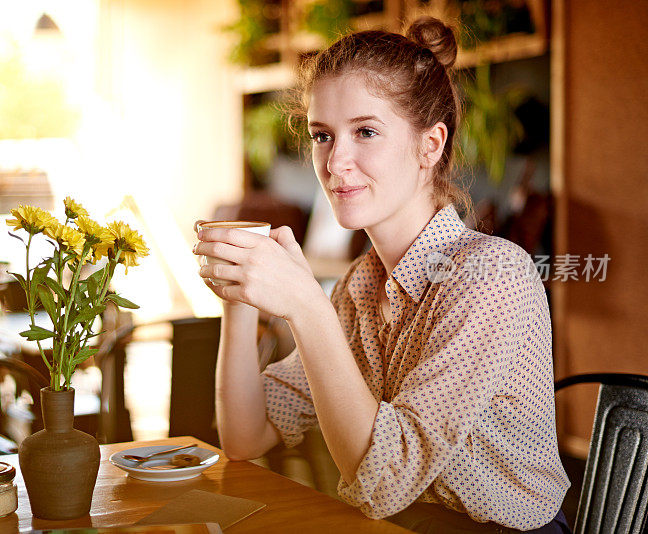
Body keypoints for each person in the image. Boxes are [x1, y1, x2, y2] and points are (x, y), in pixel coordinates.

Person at [194, 17, 570, 534]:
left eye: (365, 131)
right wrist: (238, 293)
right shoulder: (360, 286)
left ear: (430, 145)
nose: (335, 162)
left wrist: (306, 306)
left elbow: (385, 479)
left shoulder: (492, 275)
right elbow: (245, 434)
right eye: (322, 135)